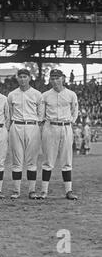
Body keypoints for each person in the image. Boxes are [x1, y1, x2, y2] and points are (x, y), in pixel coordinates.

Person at [40, 69, 79, 200]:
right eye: (52, 78)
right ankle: (44, 191)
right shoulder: (45, 95)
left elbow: (75, 111)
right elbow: (41, 113)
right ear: (50, 80)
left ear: (63, 78)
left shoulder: (71, 94)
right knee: (48, 160)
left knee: (67, 160)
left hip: (65, 127)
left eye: (57, 78)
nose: (55, 81)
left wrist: (71, 121)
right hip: (50, 127)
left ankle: (68, 191)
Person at [7, 69, 43, 200]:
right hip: (16, 125)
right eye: (20, 77)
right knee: (17, 160)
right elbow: (9, 114)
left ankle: (32, 191)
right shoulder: (11, 95)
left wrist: (36, 125)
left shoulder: (37, 94)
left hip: (33, 126)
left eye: (25, 77)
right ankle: (16, 191)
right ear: (17, 78)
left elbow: (41, 114)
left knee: (32, 161)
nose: (22, 79)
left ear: (29, 78)